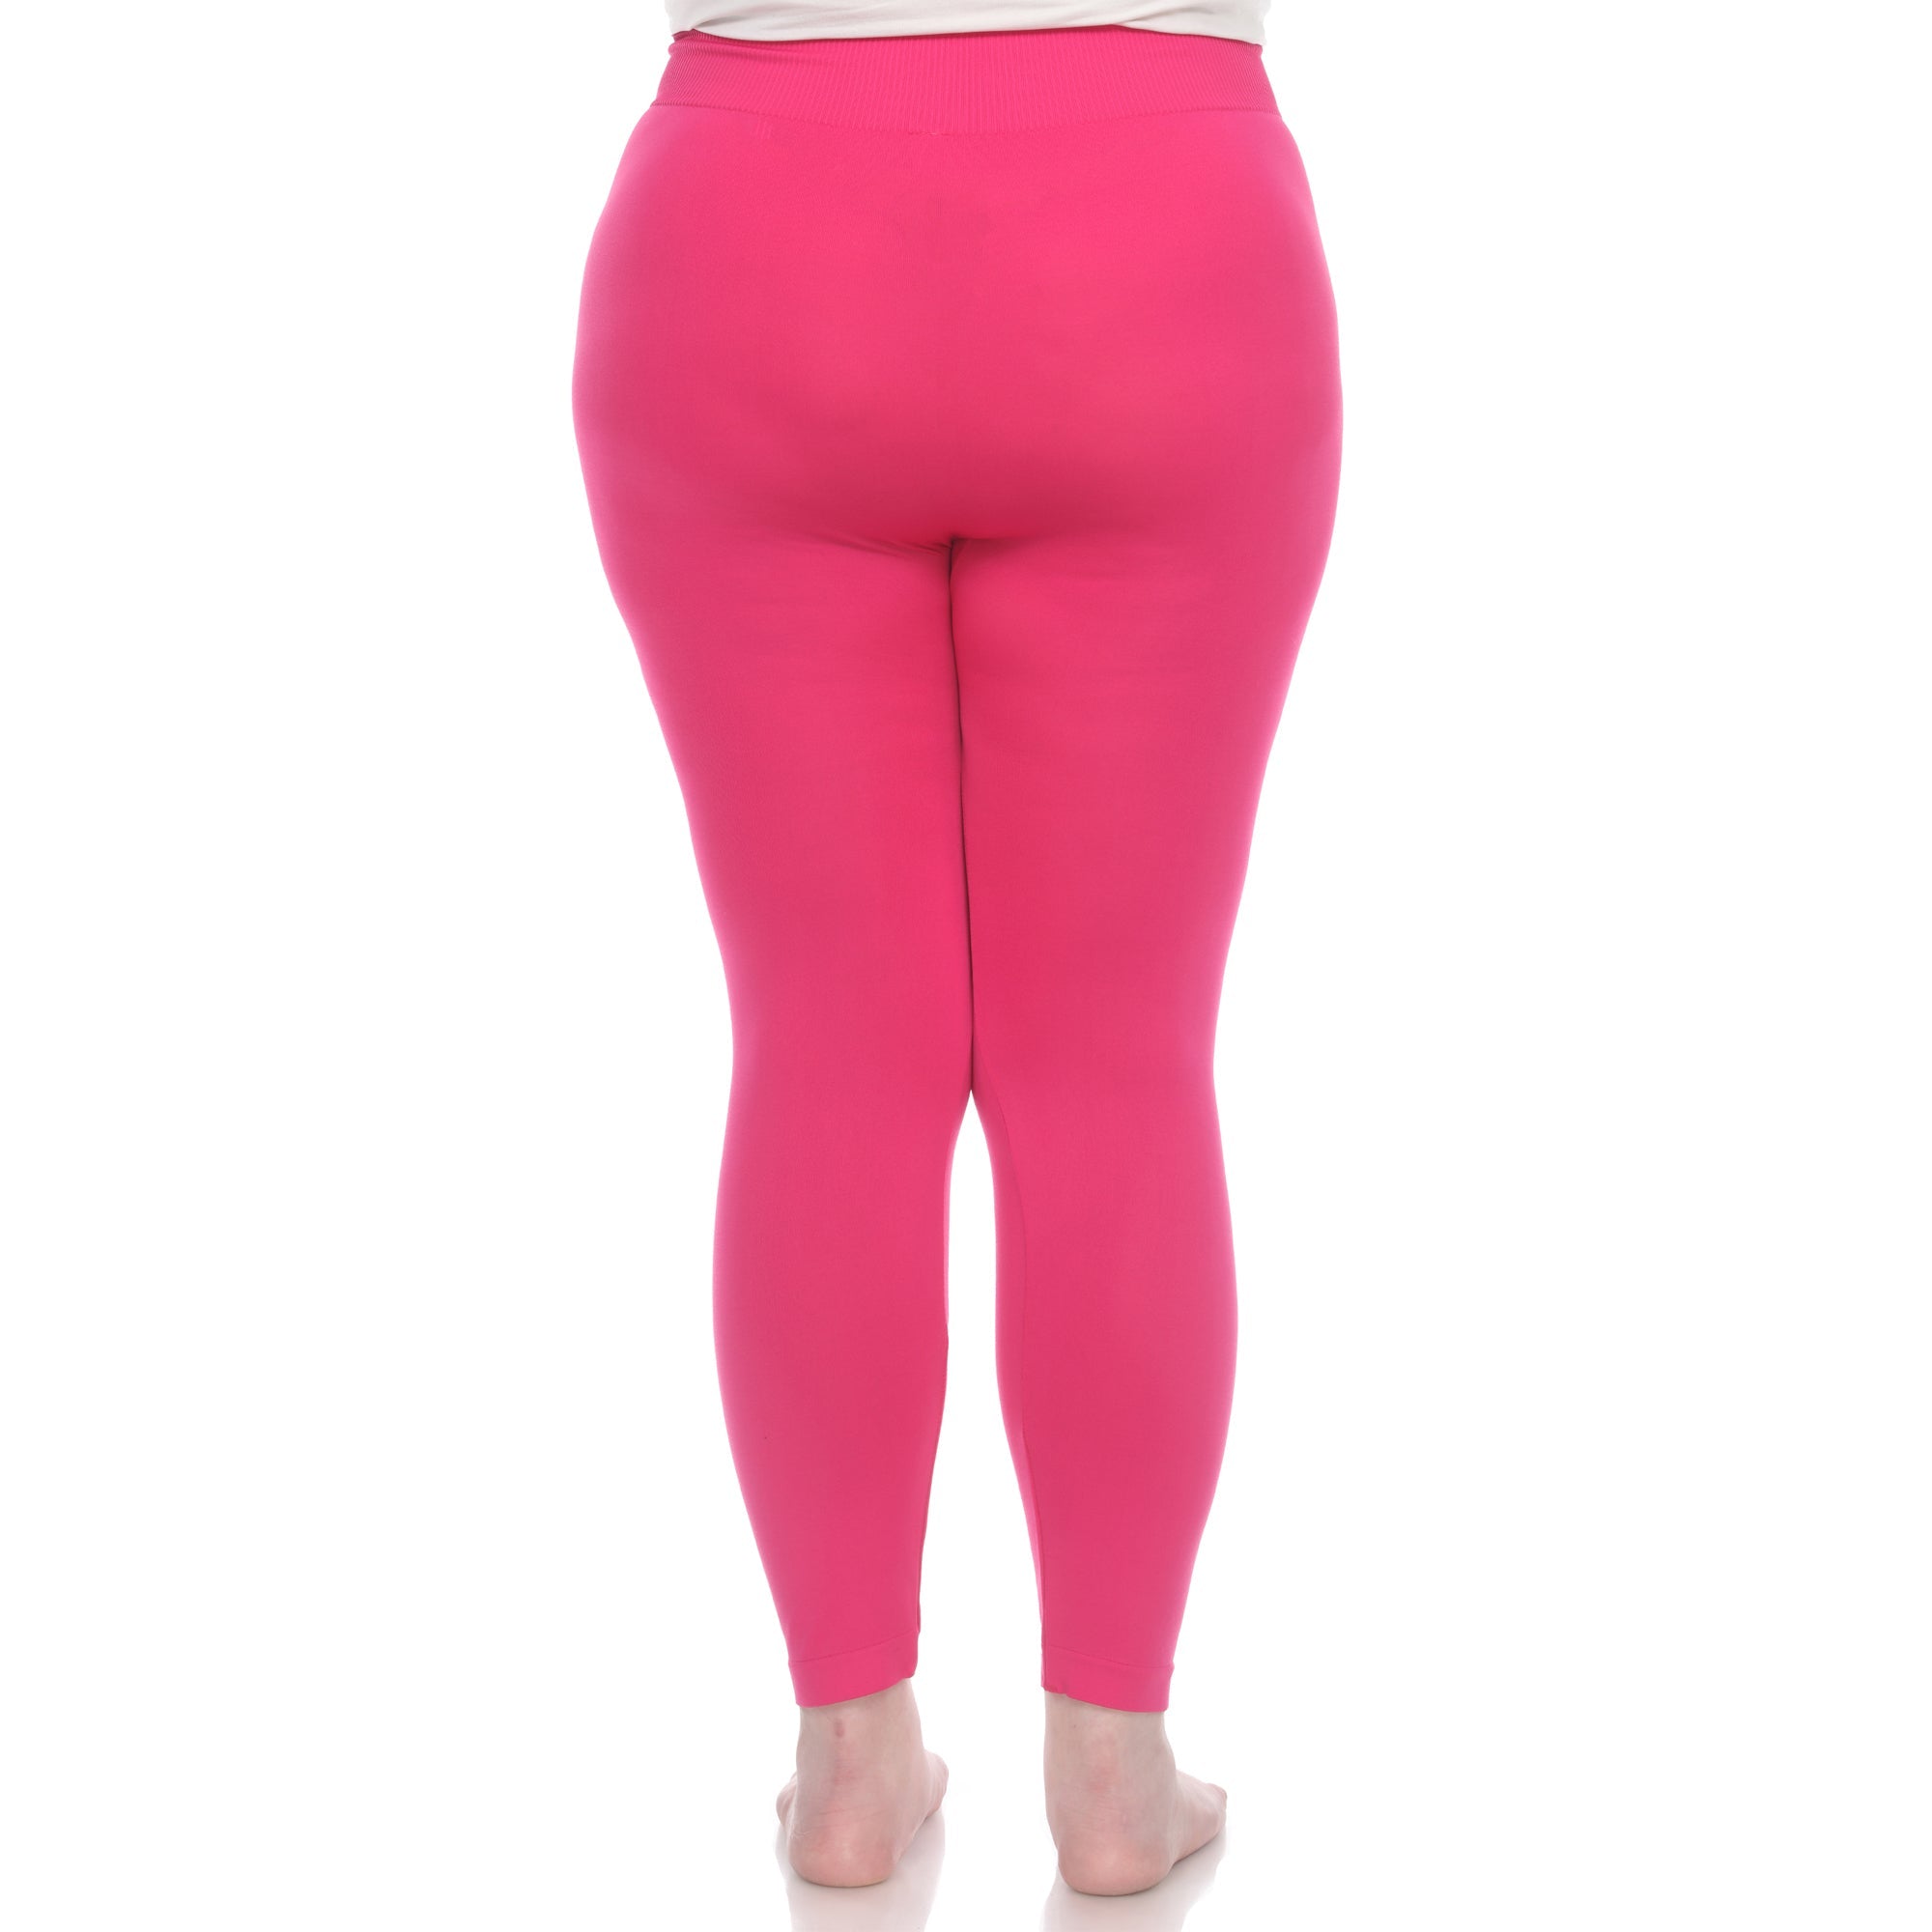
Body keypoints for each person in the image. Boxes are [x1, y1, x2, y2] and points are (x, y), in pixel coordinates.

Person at [571, 0, 1341, 1898]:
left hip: (750, 247)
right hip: (1160, 239)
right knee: (1116, 1062)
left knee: (828, 1052)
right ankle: (1113, 1766)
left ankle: (849, 1762)